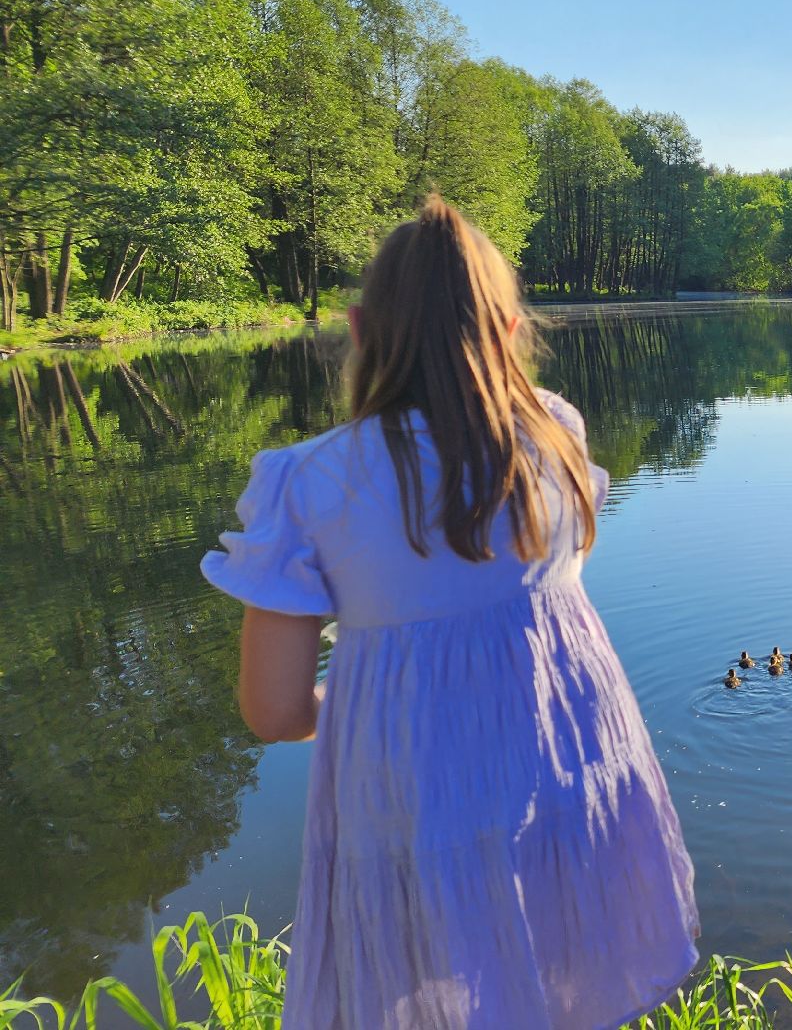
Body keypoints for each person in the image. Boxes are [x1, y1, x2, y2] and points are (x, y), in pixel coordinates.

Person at [202, 197, 698, 1029]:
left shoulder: (309, 483)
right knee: (557, 978)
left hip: (414, 796)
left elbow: (276, 709)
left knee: (430, 987)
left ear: (360, 329)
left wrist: (371, 704)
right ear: (508, 331)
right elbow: (563, 577)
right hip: (563, 771)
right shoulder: (557, 436)